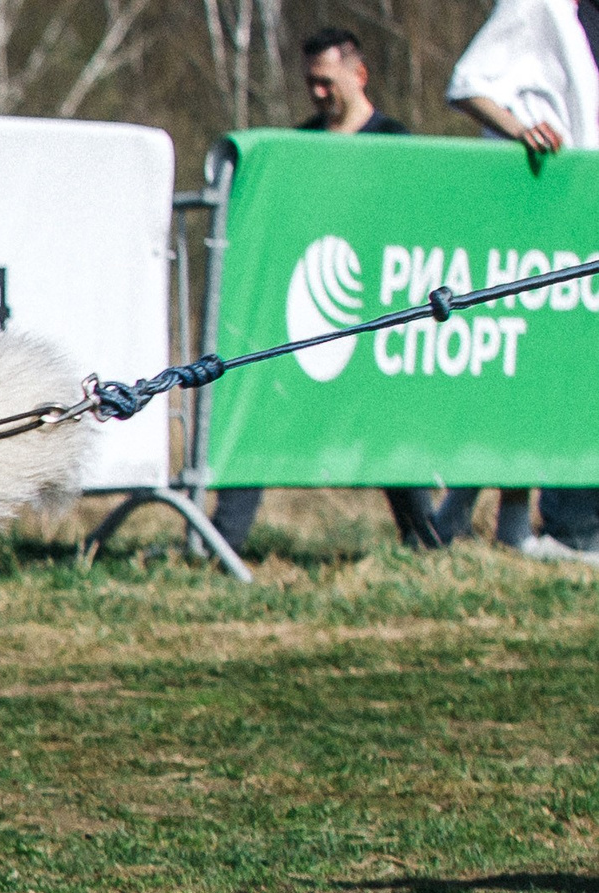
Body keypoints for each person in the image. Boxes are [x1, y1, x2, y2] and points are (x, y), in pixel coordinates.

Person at [212, 29, 444, 554]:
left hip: (375, 313)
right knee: (261, 407)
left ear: (358, 76)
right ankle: (220, 543)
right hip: (309, 316)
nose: (316, 94)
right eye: (309, 84)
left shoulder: (396, 144)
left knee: (387, 427)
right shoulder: (298, 149)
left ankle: (424, 541)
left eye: (326, 82)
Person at [431, 0, 599, 557]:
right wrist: (520, 129)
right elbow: (467, 83)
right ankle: (557, 528)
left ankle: (497, 524)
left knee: (543, 375)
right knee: (532, 371)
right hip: (541, 221)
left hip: (581, 220)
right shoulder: (540, 5)